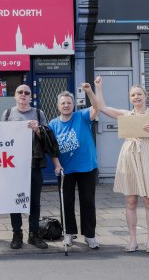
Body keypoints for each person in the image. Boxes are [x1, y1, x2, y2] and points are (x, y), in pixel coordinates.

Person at [95, 78, 149, 253]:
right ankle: (132, 240)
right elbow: (103, 108)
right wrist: (98, 88)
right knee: (130, 202)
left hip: (148, 155)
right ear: (130, 98)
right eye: (133, 95)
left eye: (139, 94)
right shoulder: (126, 115)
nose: (136, 97)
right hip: (129, 155)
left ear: (146, 96)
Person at [48, 80, 100, 249]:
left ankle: (90, 236)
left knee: (88, 201)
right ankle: (68, 233)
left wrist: (90, 91)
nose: (66, 105)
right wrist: (57, 165)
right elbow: (52, 149)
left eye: (69, 103)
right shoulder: (53, 124)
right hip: (66, 170)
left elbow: (97, 108)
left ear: (73, 105)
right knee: (66, 202)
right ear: (58, 106)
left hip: (87, 167)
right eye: (63, 103)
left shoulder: (82, 116)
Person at [2, 84, 54, 250]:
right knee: (15, 201)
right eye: (20, 92)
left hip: (34, 163)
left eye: (26, 93)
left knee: (34, 201)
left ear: (31, 97)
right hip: (14, 164)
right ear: (15, 96)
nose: (23, 95)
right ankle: (17, 234)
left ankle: (33, 235)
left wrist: (38, 129)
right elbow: (1, 138)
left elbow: (48, 140)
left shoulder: (39, 113)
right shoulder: (8, 114)